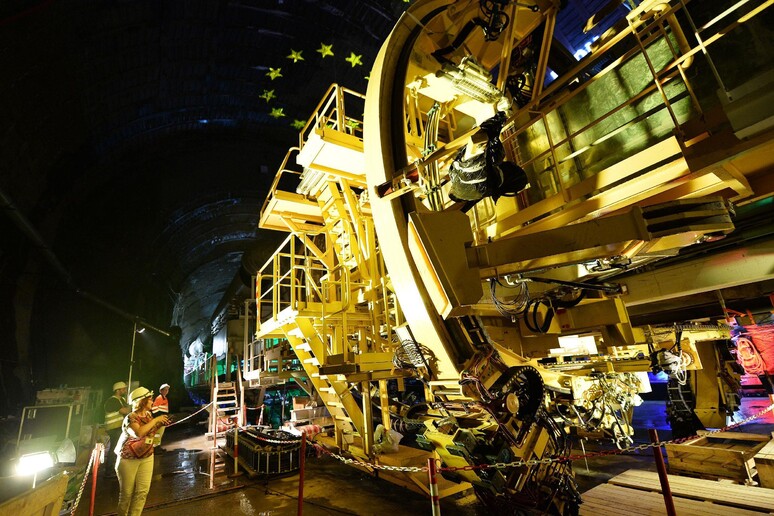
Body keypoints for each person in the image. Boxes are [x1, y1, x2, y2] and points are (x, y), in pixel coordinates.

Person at [115, 386, 169, 516]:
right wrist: (156, 420)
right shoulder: (130, 418)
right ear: (141, 401)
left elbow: (150, 431)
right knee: (126, 495)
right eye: (150, 399)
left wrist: (160, 424)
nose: (152, 402)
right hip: (128, 460)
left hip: (147, 457)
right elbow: (139, 432)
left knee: (142, 493)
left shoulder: (149, 415)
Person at [103, 381, 130, 478]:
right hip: (113, 428)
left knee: (118, 448)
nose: (125, 390)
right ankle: (109, 471)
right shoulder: (112, 401)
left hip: (119, 427)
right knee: (114, 448)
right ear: (118, 390)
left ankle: (114, 468)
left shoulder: (121, 399)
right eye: (123, 389)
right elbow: (125, 411)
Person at [151, 383, 170, 450]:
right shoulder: (159, 398)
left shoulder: (165, 398)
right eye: (165, 390)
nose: (166, 391)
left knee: (160, 433)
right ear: (161, 391)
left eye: (167, 390)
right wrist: (159, 417)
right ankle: (155, 447)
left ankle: (158, 446)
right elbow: (154, 408)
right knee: (158, 433)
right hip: (159, 418)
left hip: (163, 418)